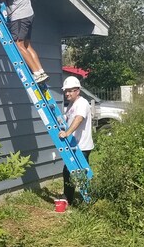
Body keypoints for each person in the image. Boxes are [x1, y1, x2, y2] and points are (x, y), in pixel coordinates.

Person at [59, 76, 94, 205]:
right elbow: (69, 118)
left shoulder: (82, 103)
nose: (67, 93)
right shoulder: (72, 104)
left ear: (77, 91)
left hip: (82, 146)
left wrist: (67, 133)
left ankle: (89, 199)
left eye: (70, 91)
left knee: (80, 173)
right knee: (67, 171)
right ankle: (68, 197)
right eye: (66, 91)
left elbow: (78, 119)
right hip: (74, 144)